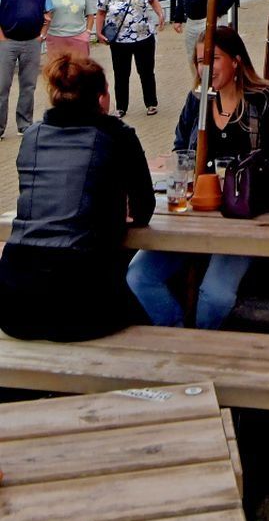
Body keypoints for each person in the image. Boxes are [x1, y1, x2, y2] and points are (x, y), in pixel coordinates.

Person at [127, 26, 269, 329]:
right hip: (195, 213)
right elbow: (181, 149)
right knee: (139, 276)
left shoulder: (266, 101)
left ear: (235, 61)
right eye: (199, 61)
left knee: (216, 295)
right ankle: (181, 340)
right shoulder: (197, 102)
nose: (205, 68)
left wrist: (252, 175)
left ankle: (203, 342)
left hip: (245, 216)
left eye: (213, 59)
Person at [0, 55, 154, 341]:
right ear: (100, 97)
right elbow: (144, 209)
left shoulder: (32, 136)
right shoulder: (117, 135)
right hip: (78, 298)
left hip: (13, 298)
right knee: (148, 313)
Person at [97, 0, 165, 118]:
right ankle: (121, 107)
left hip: (144, 37)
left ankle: (151, 104)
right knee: (121, 74)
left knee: (146, 72)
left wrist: (160, 14)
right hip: (120, 41)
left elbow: (153, 0)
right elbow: (101, 12)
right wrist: (98, 32)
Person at [0, 0, 53, 138]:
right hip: (7, 41)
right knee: (2, 85)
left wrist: (42, 35)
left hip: (32, 41)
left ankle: (25, 124)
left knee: (28, 85)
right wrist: (2, 37)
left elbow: (48, 10)